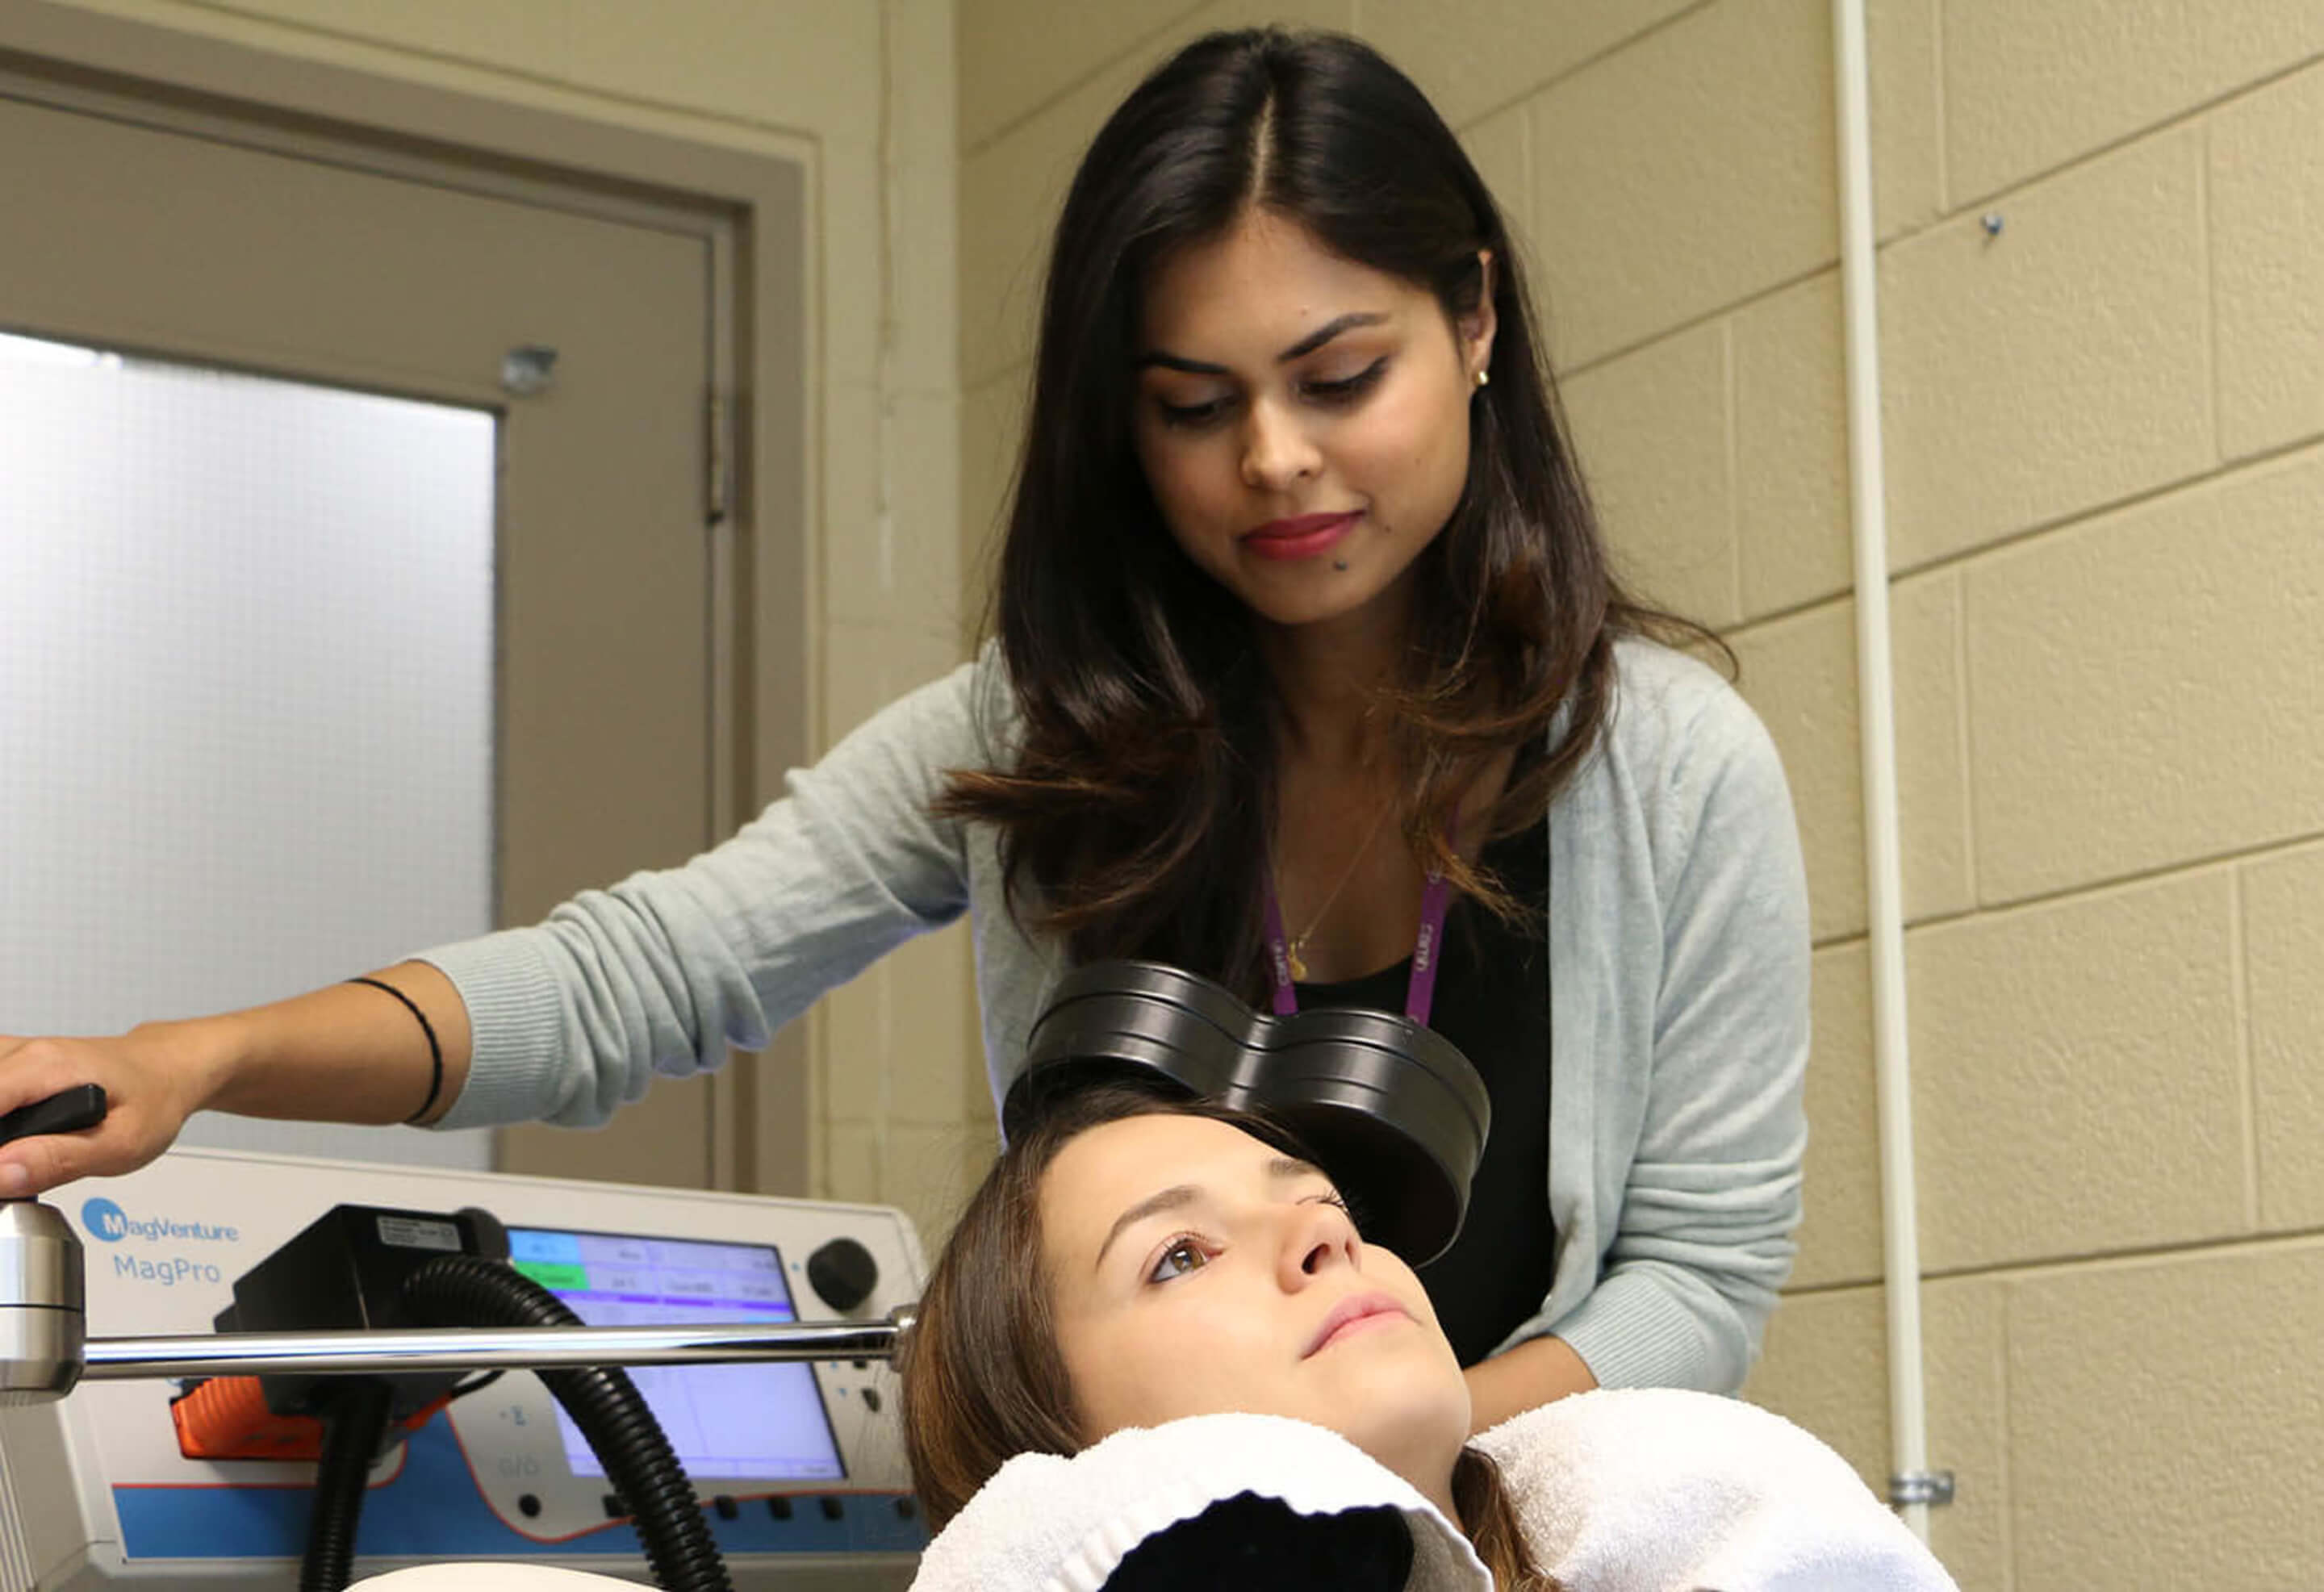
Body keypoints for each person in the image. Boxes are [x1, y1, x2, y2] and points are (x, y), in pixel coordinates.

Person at [0, 27, 1808, 1431]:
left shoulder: (1672, 770)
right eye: (1195, 406)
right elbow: (653, 970)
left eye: (1343, 379)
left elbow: (1696, 1282)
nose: (1275, 461)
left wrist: (1396, 1465)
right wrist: (204, 1058)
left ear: (1476, 320)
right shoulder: (1045, 736)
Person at [900, 1084, 1955, 1592]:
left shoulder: (1722, 1527)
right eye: (1181, 1252)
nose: (1323, 1232)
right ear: (1048, 1467)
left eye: (1326, 1201)